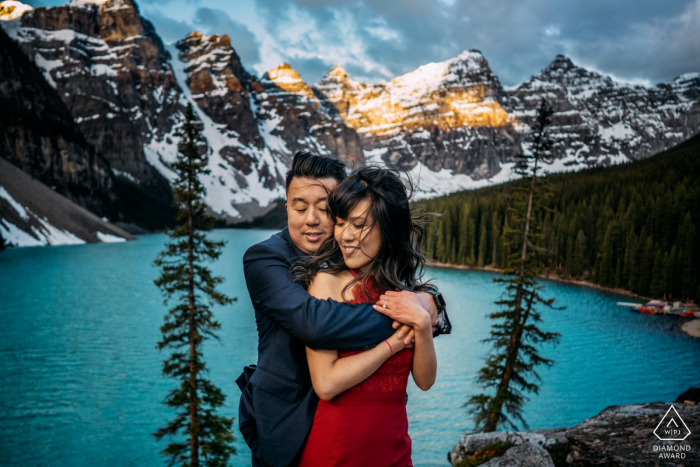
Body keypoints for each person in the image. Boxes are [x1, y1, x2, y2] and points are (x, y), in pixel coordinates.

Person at [237, 151, 451, 467]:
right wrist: (412, 314)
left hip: (379, 433)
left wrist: (431, 304)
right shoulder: (265, 258)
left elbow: (417, 302)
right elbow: (315, 323)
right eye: (299, 207)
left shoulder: (368, 264)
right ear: (287, 208)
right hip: (290, 423)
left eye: (325, 210)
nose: (312, 218)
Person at [294, 165, 437, 466]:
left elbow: (424, 381)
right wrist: (393, 345)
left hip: (394, 447)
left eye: (358, 225)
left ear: (388, 226)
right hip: (339, 446)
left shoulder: (406, 292)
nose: (345, 235)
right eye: (341, 222)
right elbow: (326, 383)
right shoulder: (326, 283)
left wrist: (423, 325)